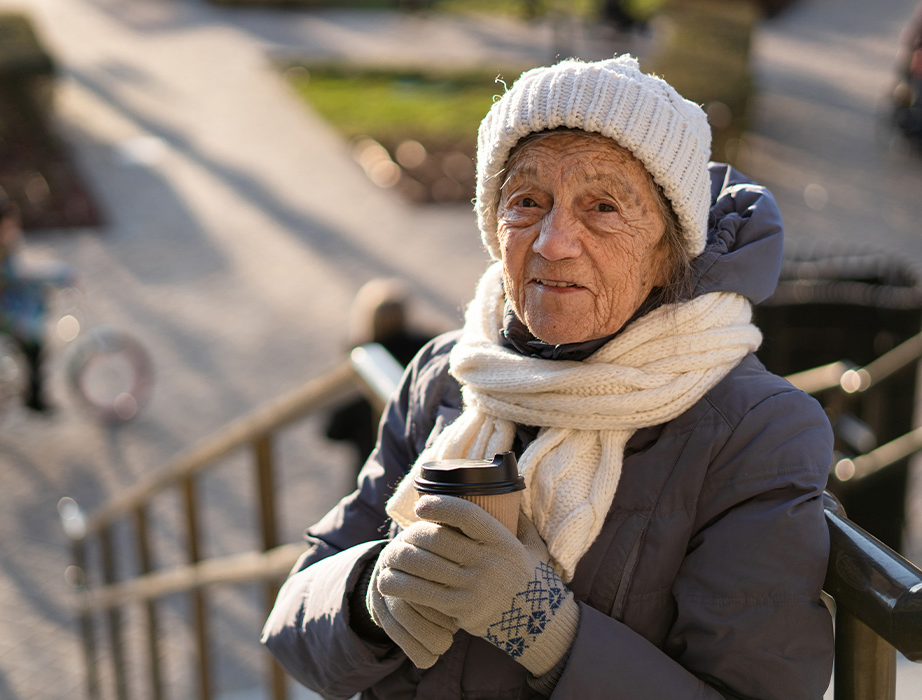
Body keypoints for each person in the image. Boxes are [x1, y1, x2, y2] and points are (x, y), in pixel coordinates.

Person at [262, 56, 834, 699]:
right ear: (493, 227)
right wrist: (369, 593)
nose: (554, 241)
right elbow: (292, 619)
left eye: (604, 205)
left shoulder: (754, 432)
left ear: (668, 250)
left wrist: (546, 631)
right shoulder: (448, 376)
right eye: (527, 201)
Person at [0, 196, 76, 412]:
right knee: (34, 345)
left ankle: (28, 387)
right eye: (9, 224)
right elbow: (17, 274)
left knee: (31, 338)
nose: (14, 227)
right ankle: (34, 397)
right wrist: (58, 273)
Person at [324, 279, 433, 481]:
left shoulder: (360, 362)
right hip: (421, 465)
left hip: (372, 468)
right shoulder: (427, 352)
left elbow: (333, 430)